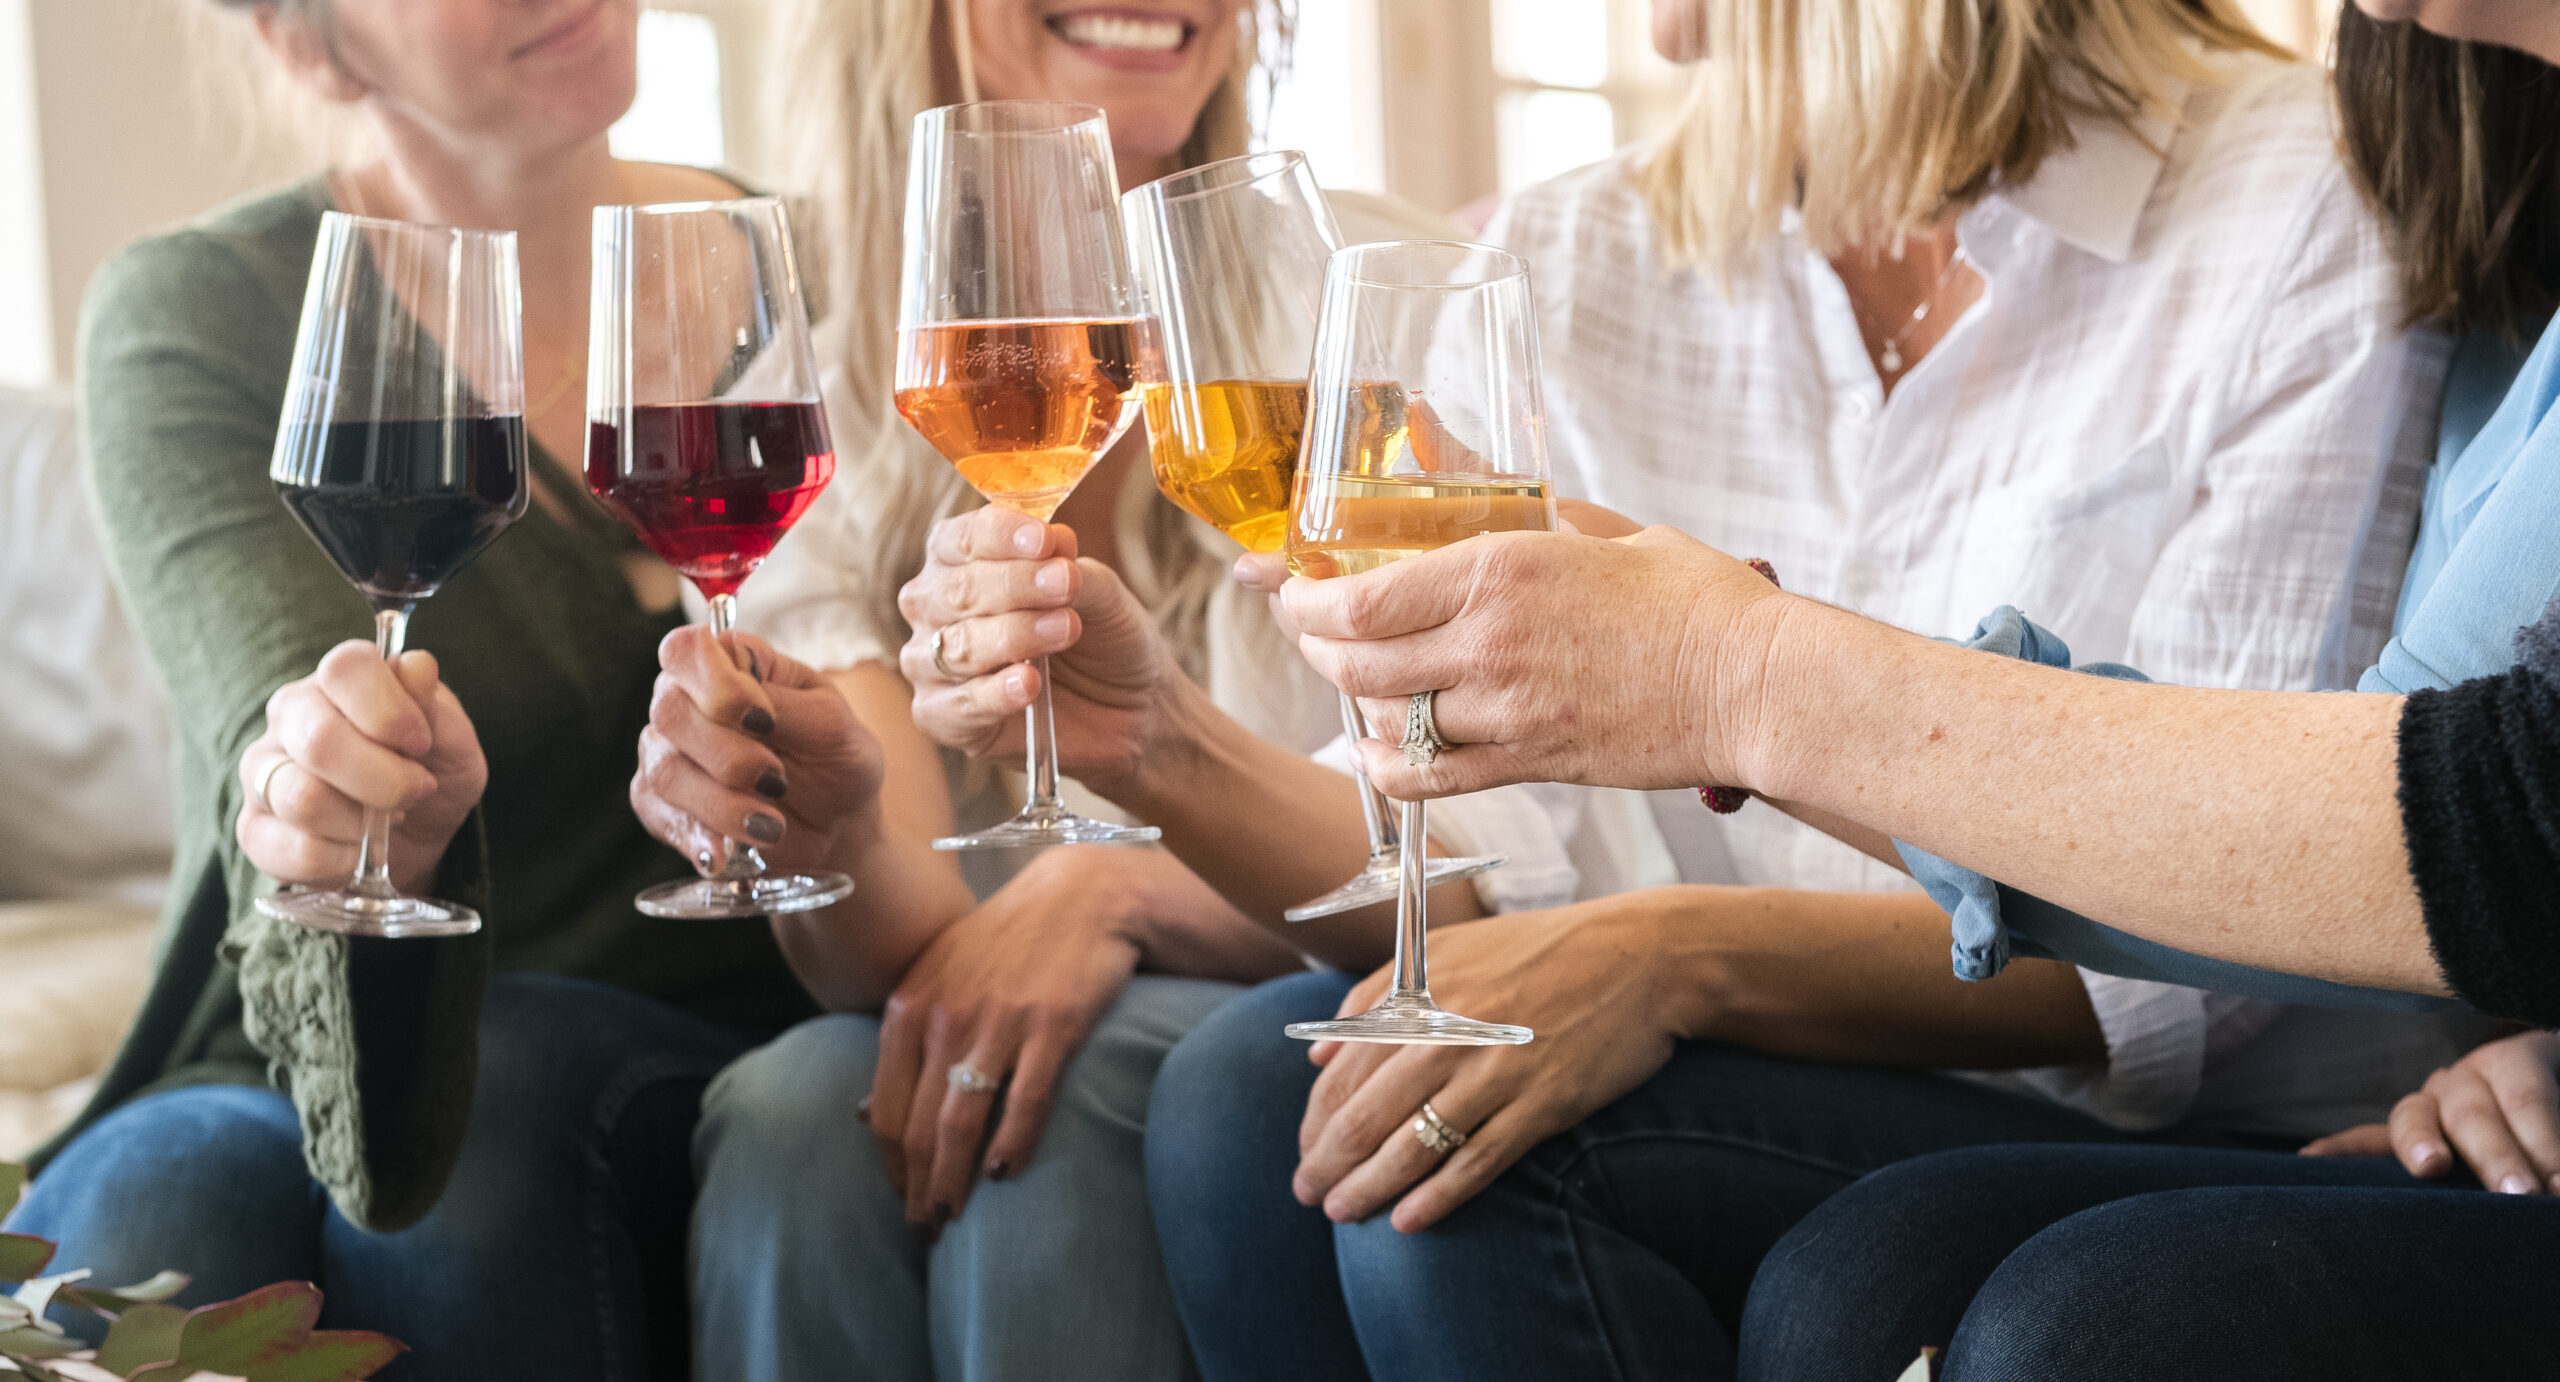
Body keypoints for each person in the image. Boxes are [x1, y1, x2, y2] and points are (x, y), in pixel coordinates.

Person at [1105, 0, 2498, 1375]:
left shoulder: (2304, 201)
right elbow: (1488, 851)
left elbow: (2198, 955)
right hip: (1785, 1073)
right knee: (1247, 1095)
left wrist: (1669, 956)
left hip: (2147, 1107)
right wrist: (1153, 746)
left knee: (1462, 1167)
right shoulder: (1569, 248)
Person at [0, 2, 925, 1378]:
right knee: (148, 1234)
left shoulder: (793, 264)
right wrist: (330, 784)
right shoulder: (205, 308)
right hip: (313, 1045)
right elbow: (279, 714)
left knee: (492, 1123)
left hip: (722, 1030)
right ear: (311, 42)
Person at [673, 3, 1469, 1380]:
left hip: (1298, 977)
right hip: (980, 983)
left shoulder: (1378, 298)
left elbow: (1470, 876)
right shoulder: (821, 367)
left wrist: (1118, 888)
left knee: (1086, 1088)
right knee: (794, 1104)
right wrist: (833, 823)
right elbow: (909, 936)